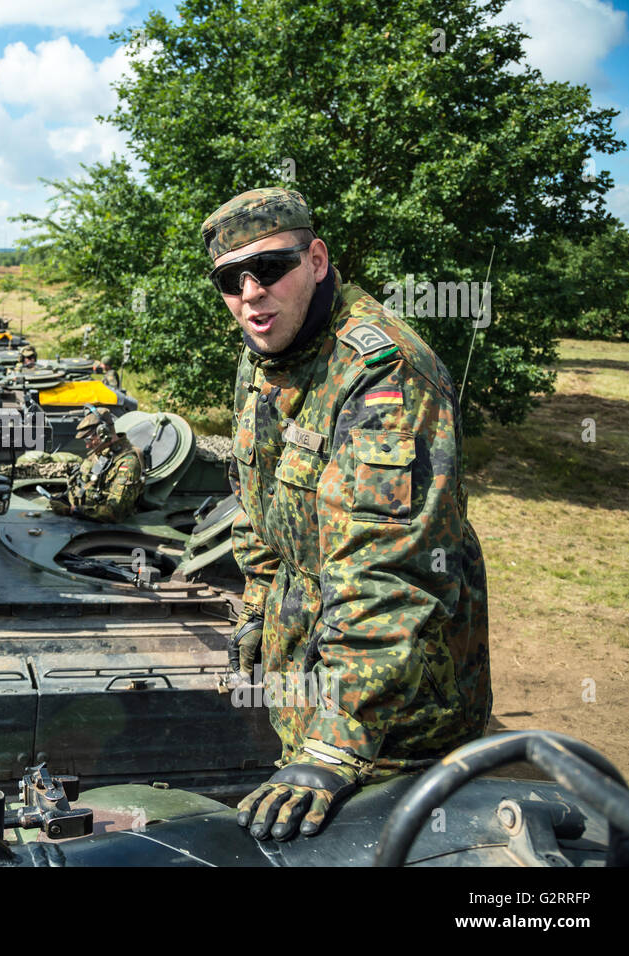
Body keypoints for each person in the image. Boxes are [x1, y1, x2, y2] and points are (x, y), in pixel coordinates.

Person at [200, 186, 490, 842]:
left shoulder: (381, 374)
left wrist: (333, 745)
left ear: (318, 261)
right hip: (312, 684)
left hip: (393, 725)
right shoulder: (274, 356)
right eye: (229, 280)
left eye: (270, 268)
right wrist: (256, 604)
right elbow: (258, 498)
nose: (250, 292)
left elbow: (388, 578)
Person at [48, 408, 144, 523]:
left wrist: (72, 510)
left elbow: (114, 512)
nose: (88, 446)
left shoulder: (127, 464)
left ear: (103, 433)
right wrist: (65, 498)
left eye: (89, 439)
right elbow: (86, 485)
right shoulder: (101, 453)